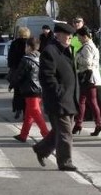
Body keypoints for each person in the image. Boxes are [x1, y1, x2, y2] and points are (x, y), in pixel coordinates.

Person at [32, 22, 79, 171]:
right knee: (65, 133)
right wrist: (58, 92)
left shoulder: (66, 50)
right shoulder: (50, 51)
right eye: (67, 35)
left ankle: (41, 149)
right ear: (58, 35)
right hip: (58, 100)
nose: (70, 38)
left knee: (63, 130)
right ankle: (65, 162)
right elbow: (47, 76)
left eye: (71, 36)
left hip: (70, 98)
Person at [11, 37, 49, 142]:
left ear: (28, 47)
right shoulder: (41, 58)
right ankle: (23, 135)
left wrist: (12, 84)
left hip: (30, 89)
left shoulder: (26, 59)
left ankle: (47, 135)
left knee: (36, 113)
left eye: (25, 46)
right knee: (29, 113)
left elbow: (19, 74)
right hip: (40, 88)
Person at [73, 26, 101, 136]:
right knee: (84, 101)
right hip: (89, 77)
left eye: (79, 37)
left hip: (88, 77)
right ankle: (79, 124)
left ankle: (98, 124)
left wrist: (77, 57)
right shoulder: (91, 45)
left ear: (84, 36)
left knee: (90, 102)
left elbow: (87, 62)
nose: (79, 39)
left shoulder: (87, 47)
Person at [8, 26, 30, 119]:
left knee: (17, 92)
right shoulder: (29, 43)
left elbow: (10, 57)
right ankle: (25, 113)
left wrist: (11, 67)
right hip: (27, 71)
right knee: (26, 93)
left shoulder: (14, 43)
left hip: (16, 70)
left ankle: (18, 109)